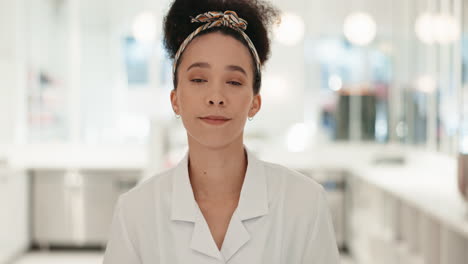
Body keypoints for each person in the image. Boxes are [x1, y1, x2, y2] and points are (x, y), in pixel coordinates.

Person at [103, 0, 340, 263]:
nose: (216, 97)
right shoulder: (136, 212)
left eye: (234, 81)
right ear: (175, 99)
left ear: (255, 102)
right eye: (198, 79)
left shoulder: (304, 204)